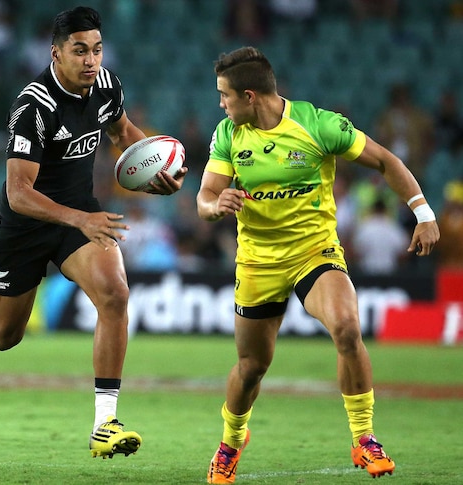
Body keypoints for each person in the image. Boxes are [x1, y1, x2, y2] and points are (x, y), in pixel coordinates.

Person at [0, 6, 186, 459]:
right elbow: (18, 193)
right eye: (80, 51)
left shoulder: (106, 86)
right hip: (24, 224)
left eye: (97, 50)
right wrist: (79, 219)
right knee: (2, 337)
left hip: (79, 215)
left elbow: (121, 132)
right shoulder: (32, 106)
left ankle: (105, 423)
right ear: (56, 53)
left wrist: (153, 163)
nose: (91, 61)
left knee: (115, 295)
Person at [196, 46, 439, 483]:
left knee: (347, 326)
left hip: (315, 250)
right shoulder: (228, 135)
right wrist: (216, 205)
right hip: (258, 261)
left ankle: (364, 439)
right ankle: (231, 441)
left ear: (249, 96)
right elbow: (204, 197)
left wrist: (423, 213)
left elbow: (385, 161)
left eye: (225, 95)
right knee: (252, 366)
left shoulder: (318, 124)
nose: (221, 103)